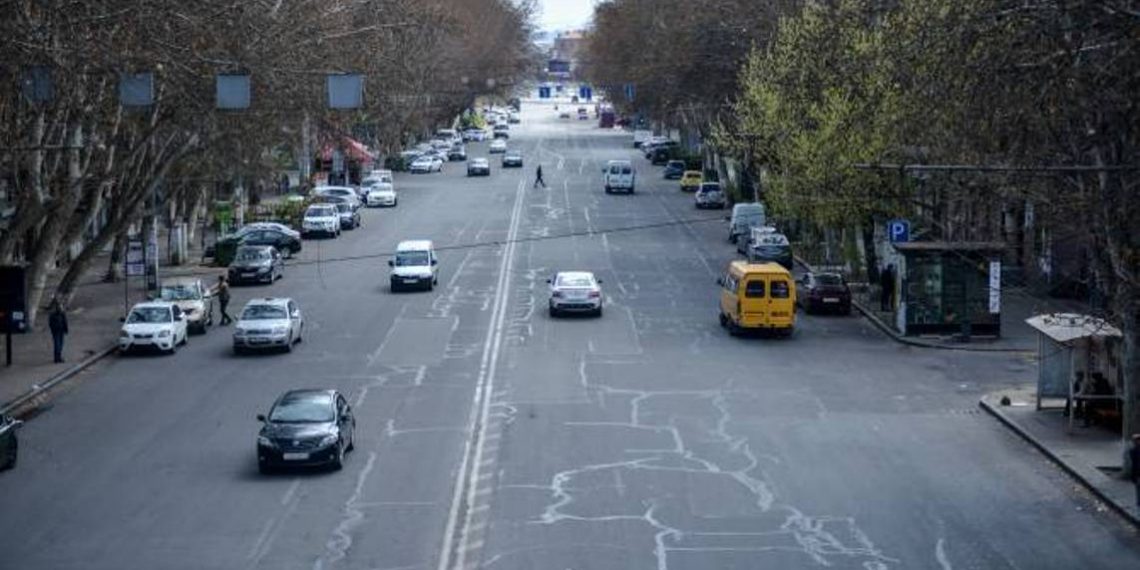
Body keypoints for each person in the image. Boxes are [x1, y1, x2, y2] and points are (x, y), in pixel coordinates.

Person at [47, 299, 68, 364]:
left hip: (57, 330)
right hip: (59, 330)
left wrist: (52, 329)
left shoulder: (53, 314)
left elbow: (50, 323)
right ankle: (58, 357)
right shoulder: (61, 313)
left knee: (58, 343)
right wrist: (66, 329)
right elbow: (65, 322)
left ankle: (57, 357)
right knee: (59, 344)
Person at [1129, 434, 1140, 509]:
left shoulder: (1133, 451)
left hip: (1137, 473)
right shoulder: (1133, 451)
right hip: (1137, 473)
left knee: (1138, 488)